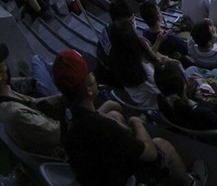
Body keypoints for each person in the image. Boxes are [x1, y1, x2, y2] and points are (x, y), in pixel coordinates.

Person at [53, 50, 207, 186]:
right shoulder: (102, 128)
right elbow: (150, 153)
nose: (94, 75)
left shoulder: (65, 104)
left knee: (113, 110)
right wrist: (137, 123)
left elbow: (90, 122)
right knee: (161, 145)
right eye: (90, 74)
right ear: (89, 91)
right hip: (119, 178)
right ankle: (191, 182)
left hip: (90, 166)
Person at [0, 43, 64, 158]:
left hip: (49, 120)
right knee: (37, 59)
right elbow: (58, 133)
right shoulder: (15, 112)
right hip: (64, 150)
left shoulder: (6, 93)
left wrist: (57, 98)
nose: (6, 68)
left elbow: (32, 103)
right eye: (3, 65)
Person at [154, 61, 217, 131]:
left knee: (213, 72)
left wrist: (188, 89)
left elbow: (181, 103)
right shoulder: (202, 112)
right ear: (183, 80)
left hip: (196, 123)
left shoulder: (161, 99)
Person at [108, 21, 163, 109]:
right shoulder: (143, 71)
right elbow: (164, 89)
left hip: (143, 101)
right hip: (157, 105)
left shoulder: (117, 58)